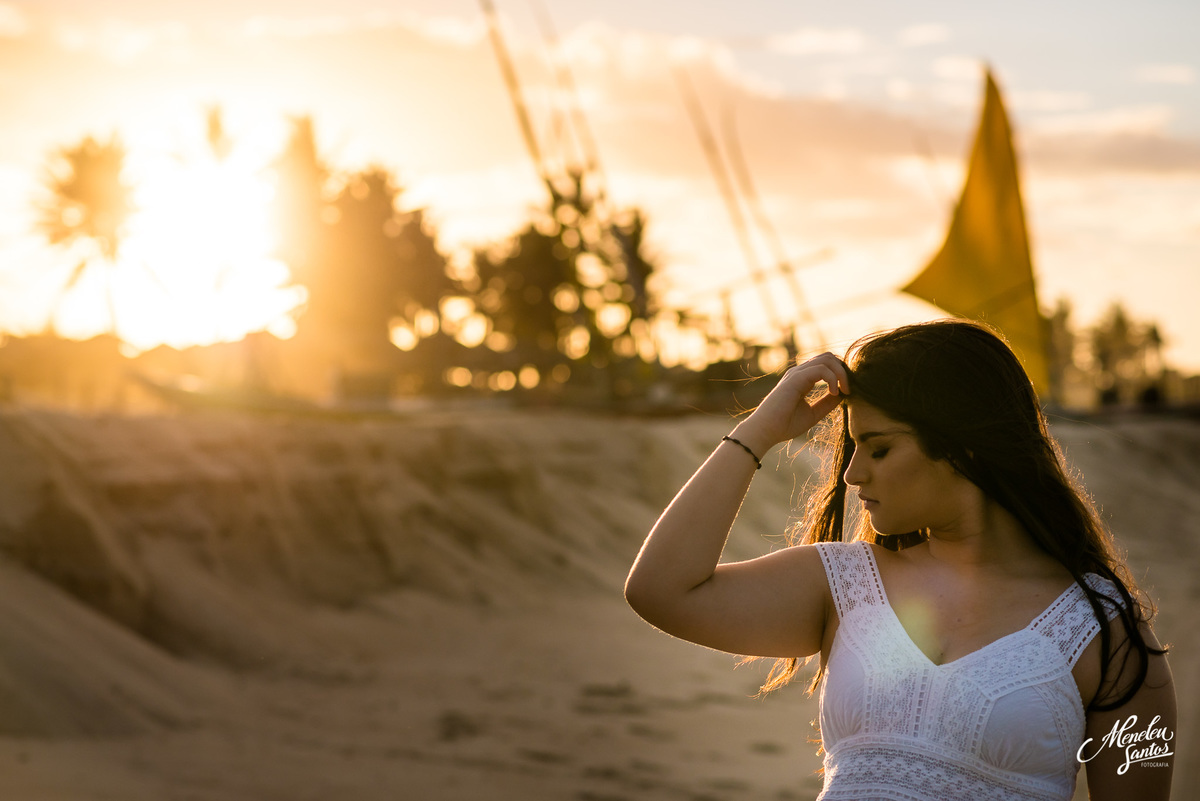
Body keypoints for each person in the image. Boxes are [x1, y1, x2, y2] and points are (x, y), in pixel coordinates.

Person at [625, 320, 1175, 801]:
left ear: (962, 445)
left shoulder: (1107, 632)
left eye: (880, 447)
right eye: (854, 447)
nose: (852, 473)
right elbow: (661, 590)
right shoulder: (843, 584)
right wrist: (759, 431)